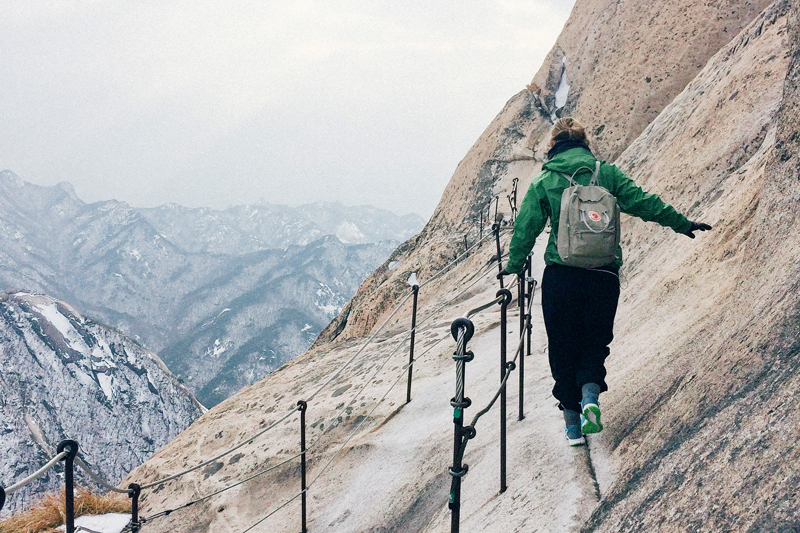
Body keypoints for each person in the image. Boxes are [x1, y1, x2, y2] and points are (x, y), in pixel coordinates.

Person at [499, 117, 711, 446]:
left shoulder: (546, 180)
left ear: (553, 146)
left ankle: (572, 424)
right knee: (594, 343)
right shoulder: (606, 173)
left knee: (562, 345)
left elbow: (526, 226)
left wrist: (513, 266)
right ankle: (590, 397)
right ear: (585, 144)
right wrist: (681, 223)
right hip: (603, 275)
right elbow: (644, 203)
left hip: (562, 275)